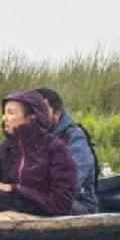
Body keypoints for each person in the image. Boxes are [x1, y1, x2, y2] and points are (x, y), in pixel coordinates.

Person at [0, 91, 76, 220]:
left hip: (48, 217)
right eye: (4, 113)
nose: (4, 118)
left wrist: (16, 189)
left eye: (11, 113)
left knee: (3, 218)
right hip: (10, 211)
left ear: (31, 118)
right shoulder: (3, 150)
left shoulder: (56, 149)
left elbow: (62, 205)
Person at [33, 87, 100, 215]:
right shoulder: (33, 137)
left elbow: (71, 183)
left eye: (43, 110)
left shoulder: (74, 138)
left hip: (78, 206)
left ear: (57, 114)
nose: (37, 115)